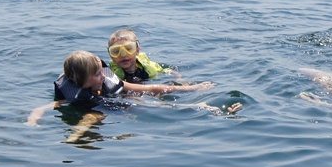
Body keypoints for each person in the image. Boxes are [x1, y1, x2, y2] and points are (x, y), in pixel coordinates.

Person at [26, 50, 215, 126]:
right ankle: (195, 107)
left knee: (142, 102)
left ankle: (194, 106)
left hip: (117, 102)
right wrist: (33, 120)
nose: (103, 76)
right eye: (97, 74)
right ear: (80, 79)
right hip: (97, 110)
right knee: (98, 116)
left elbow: (151, 88)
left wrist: (192, 88)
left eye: (102, 71)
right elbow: (42, 108)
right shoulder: (72, 95)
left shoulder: (110, 82)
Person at [106, 29, 171, 83]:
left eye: (128, 49)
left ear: (137, 50)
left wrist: (176, 77)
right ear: (111, 55)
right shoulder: (110, 75)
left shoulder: (149, 67)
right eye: (116, 51)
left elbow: (169, 71)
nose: (123, 55)